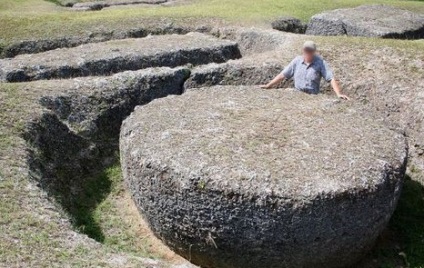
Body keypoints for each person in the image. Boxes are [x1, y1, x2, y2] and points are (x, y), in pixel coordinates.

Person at [260, 41, 349, 100]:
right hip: (297, 95)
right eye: (306, 50)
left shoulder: (320, 62)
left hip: (313, 96)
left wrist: (338, 94)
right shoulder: (296, 61)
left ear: (314, 51)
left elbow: (330, 78)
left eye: (310, 50)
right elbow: (283, 75)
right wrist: (268, 85)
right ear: (303, 50)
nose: (308, 52)